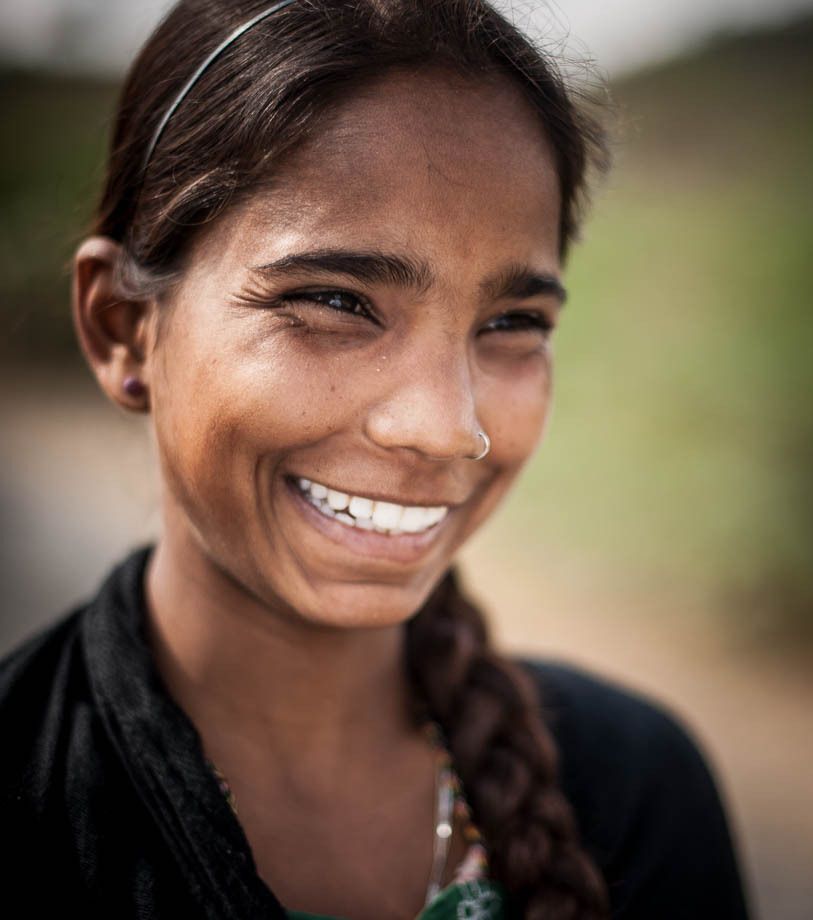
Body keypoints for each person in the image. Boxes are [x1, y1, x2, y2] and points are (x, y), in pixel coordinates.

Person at [0, 1, 749, 917]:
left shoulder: (635, 793)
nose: (445, 428)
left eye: (512, 322)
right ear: (124, 330)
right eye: (335, 301)